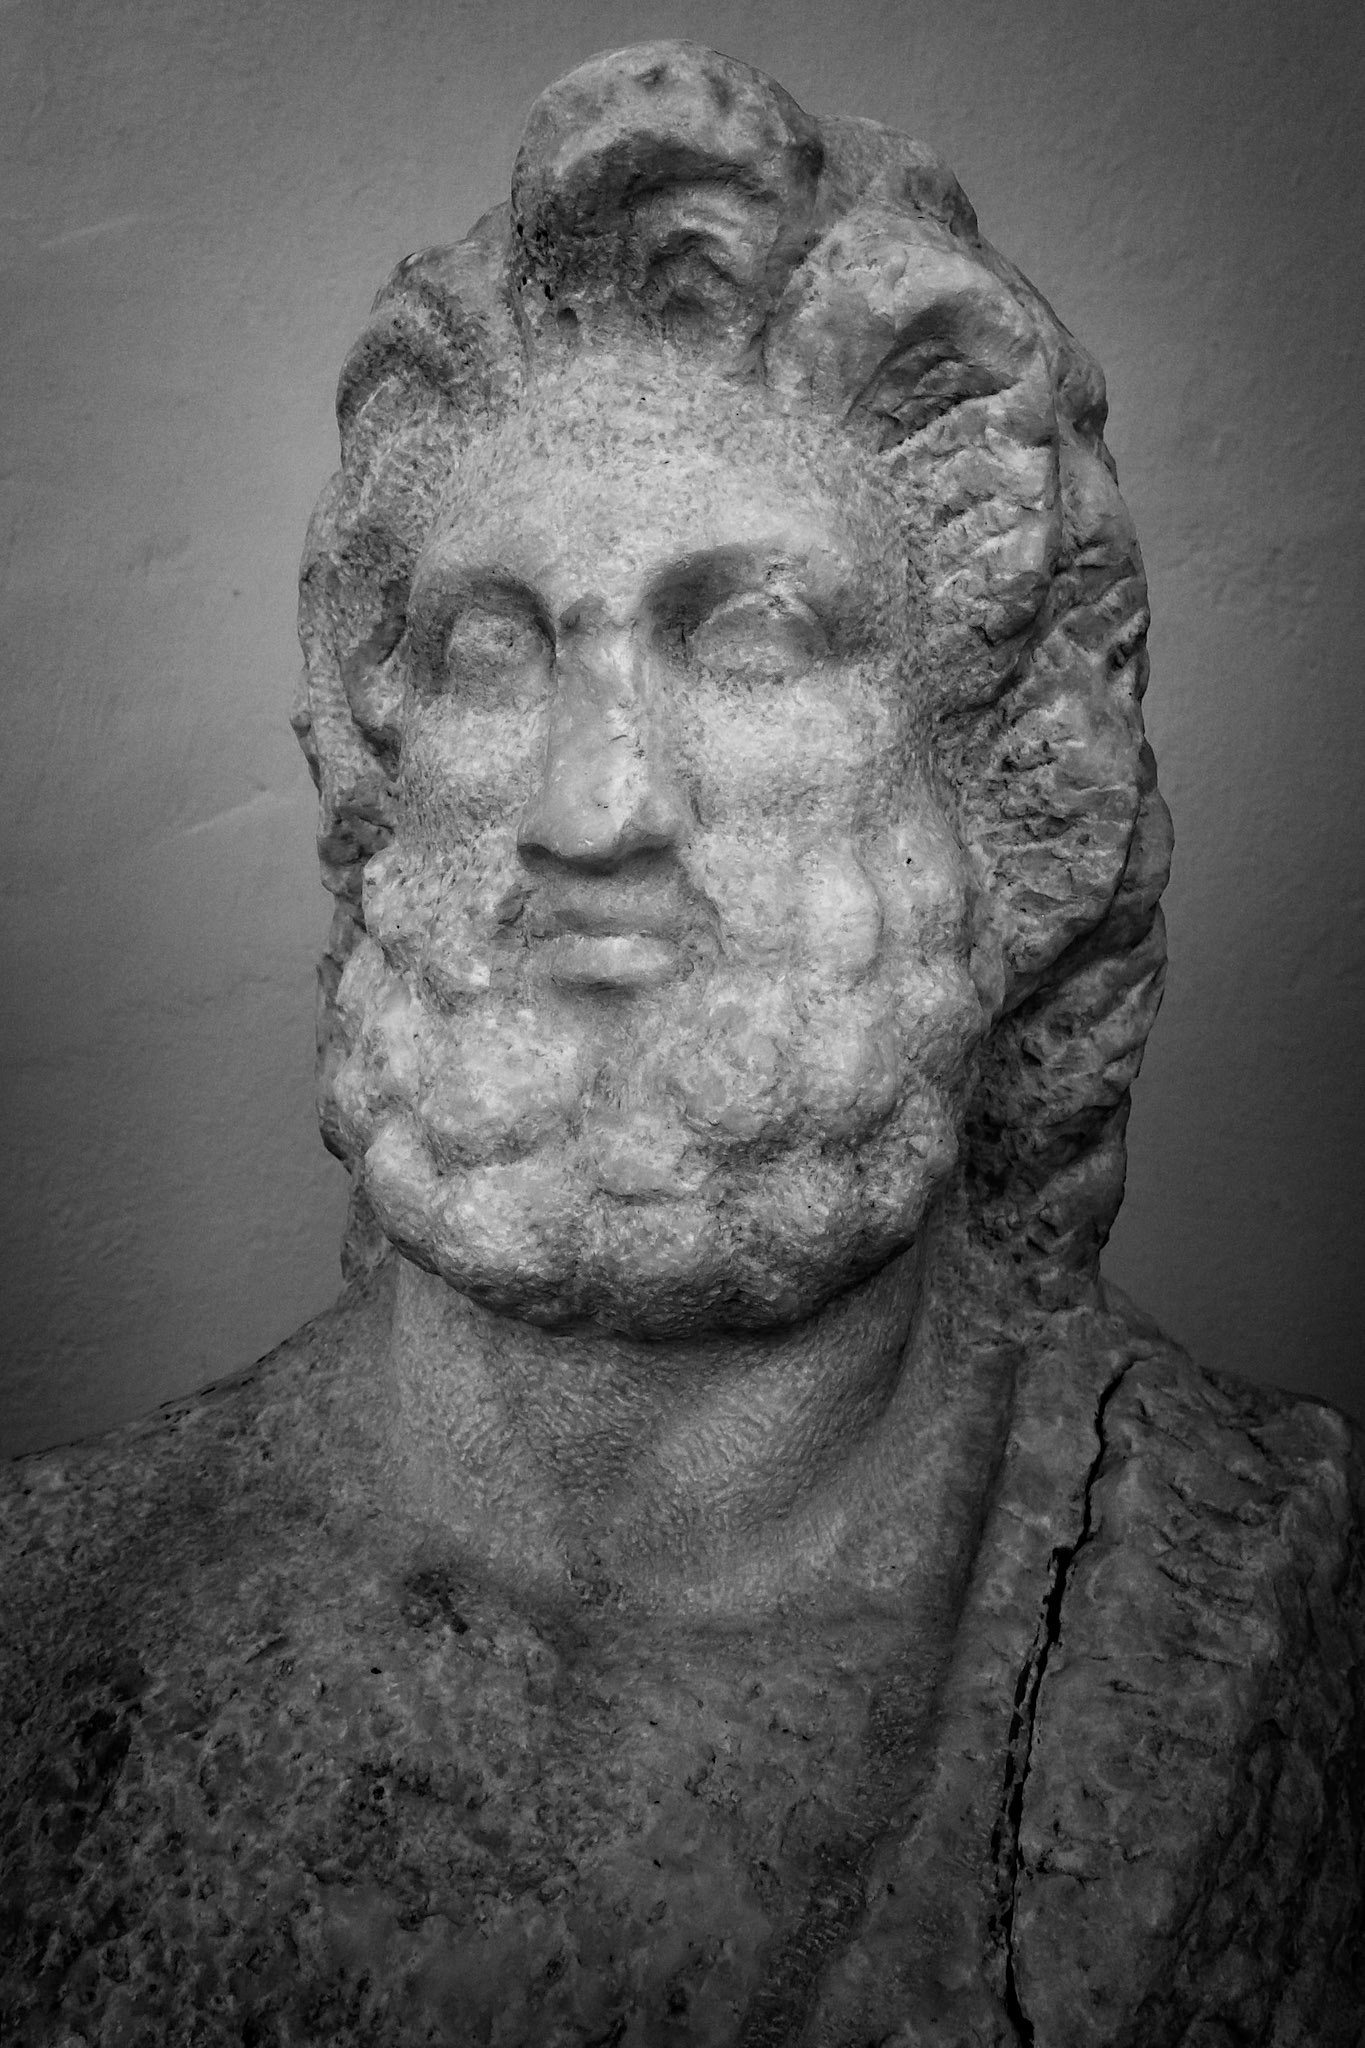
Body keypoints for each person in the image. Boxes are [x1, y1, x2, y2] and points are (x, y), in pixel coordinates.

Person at [4, 42, 1361, 2047]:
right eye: (492, 649)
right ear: (380, 768)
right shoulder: (51, 1602)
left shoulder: (1247, 1602)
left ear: (984, 786)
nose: (592, 808)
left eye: (748, 639)